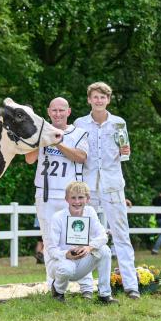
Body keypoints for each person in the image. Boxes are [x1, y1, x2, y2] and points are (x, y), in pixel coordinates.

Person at [74, 82, 140, 299]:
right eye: (95, 97)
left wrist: (125, 151)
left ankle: (131, 286)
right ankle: (86, 287)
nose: (99, 100)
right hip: (88, 186)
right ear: (89, 99)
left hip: (112, 185)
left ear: (108, 100)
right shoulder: (80, 123)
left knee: (121, 234)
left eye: (103, 97)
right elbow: (77, 155)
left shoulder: (119, 123)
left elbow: (124, 155)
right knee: (83, 234)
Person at [25, 97, 94, 299]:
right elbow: (29, 160)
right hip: (46, 193)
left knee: (78, 237)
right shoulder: (42, 134)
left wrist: (58, 141)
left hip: (72, 196)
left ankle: (86, 286)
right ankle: (54, 285)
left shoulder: (79, 133)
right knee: (49, 241)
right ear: (48, 112)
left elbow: (81, 157)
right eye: (54, 110)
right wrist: (41, 140)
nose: (57, 114)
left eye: (61, 110)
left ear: (68, 112)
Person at [47, 182, 118, 304]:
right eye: (73, 198)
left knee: (104, 250)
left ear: (87, 199)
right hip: (61, 263)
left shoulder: (90, 212)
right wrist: (66, 254)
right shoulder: (58, 217)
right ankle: (58, 291)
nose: (77, 202)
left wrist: (89, 247)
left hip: (82, 262)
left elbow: (103, 235)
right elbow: (51, 249)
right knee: (67, 268)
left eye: (80, 197)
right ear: (66, 199)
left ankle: (104, 295)